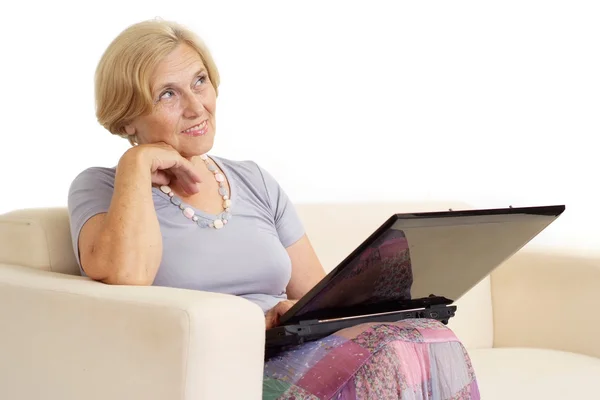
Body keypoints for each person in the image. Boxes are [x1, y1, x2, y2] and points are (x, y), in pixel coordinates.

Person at [67, 18, 480, 399]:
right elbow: (126, 278)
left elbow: (320, 300)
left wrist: (303, 313)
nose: (196, 107)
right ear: (126, 119)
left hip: (292, 351)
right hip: (217, 369)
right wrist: (135, 166)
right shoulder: (102, 187)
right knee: (390, 357)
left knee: (428, 335)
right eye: (168, 94)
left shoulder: (253, 180)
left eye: (200, 82)